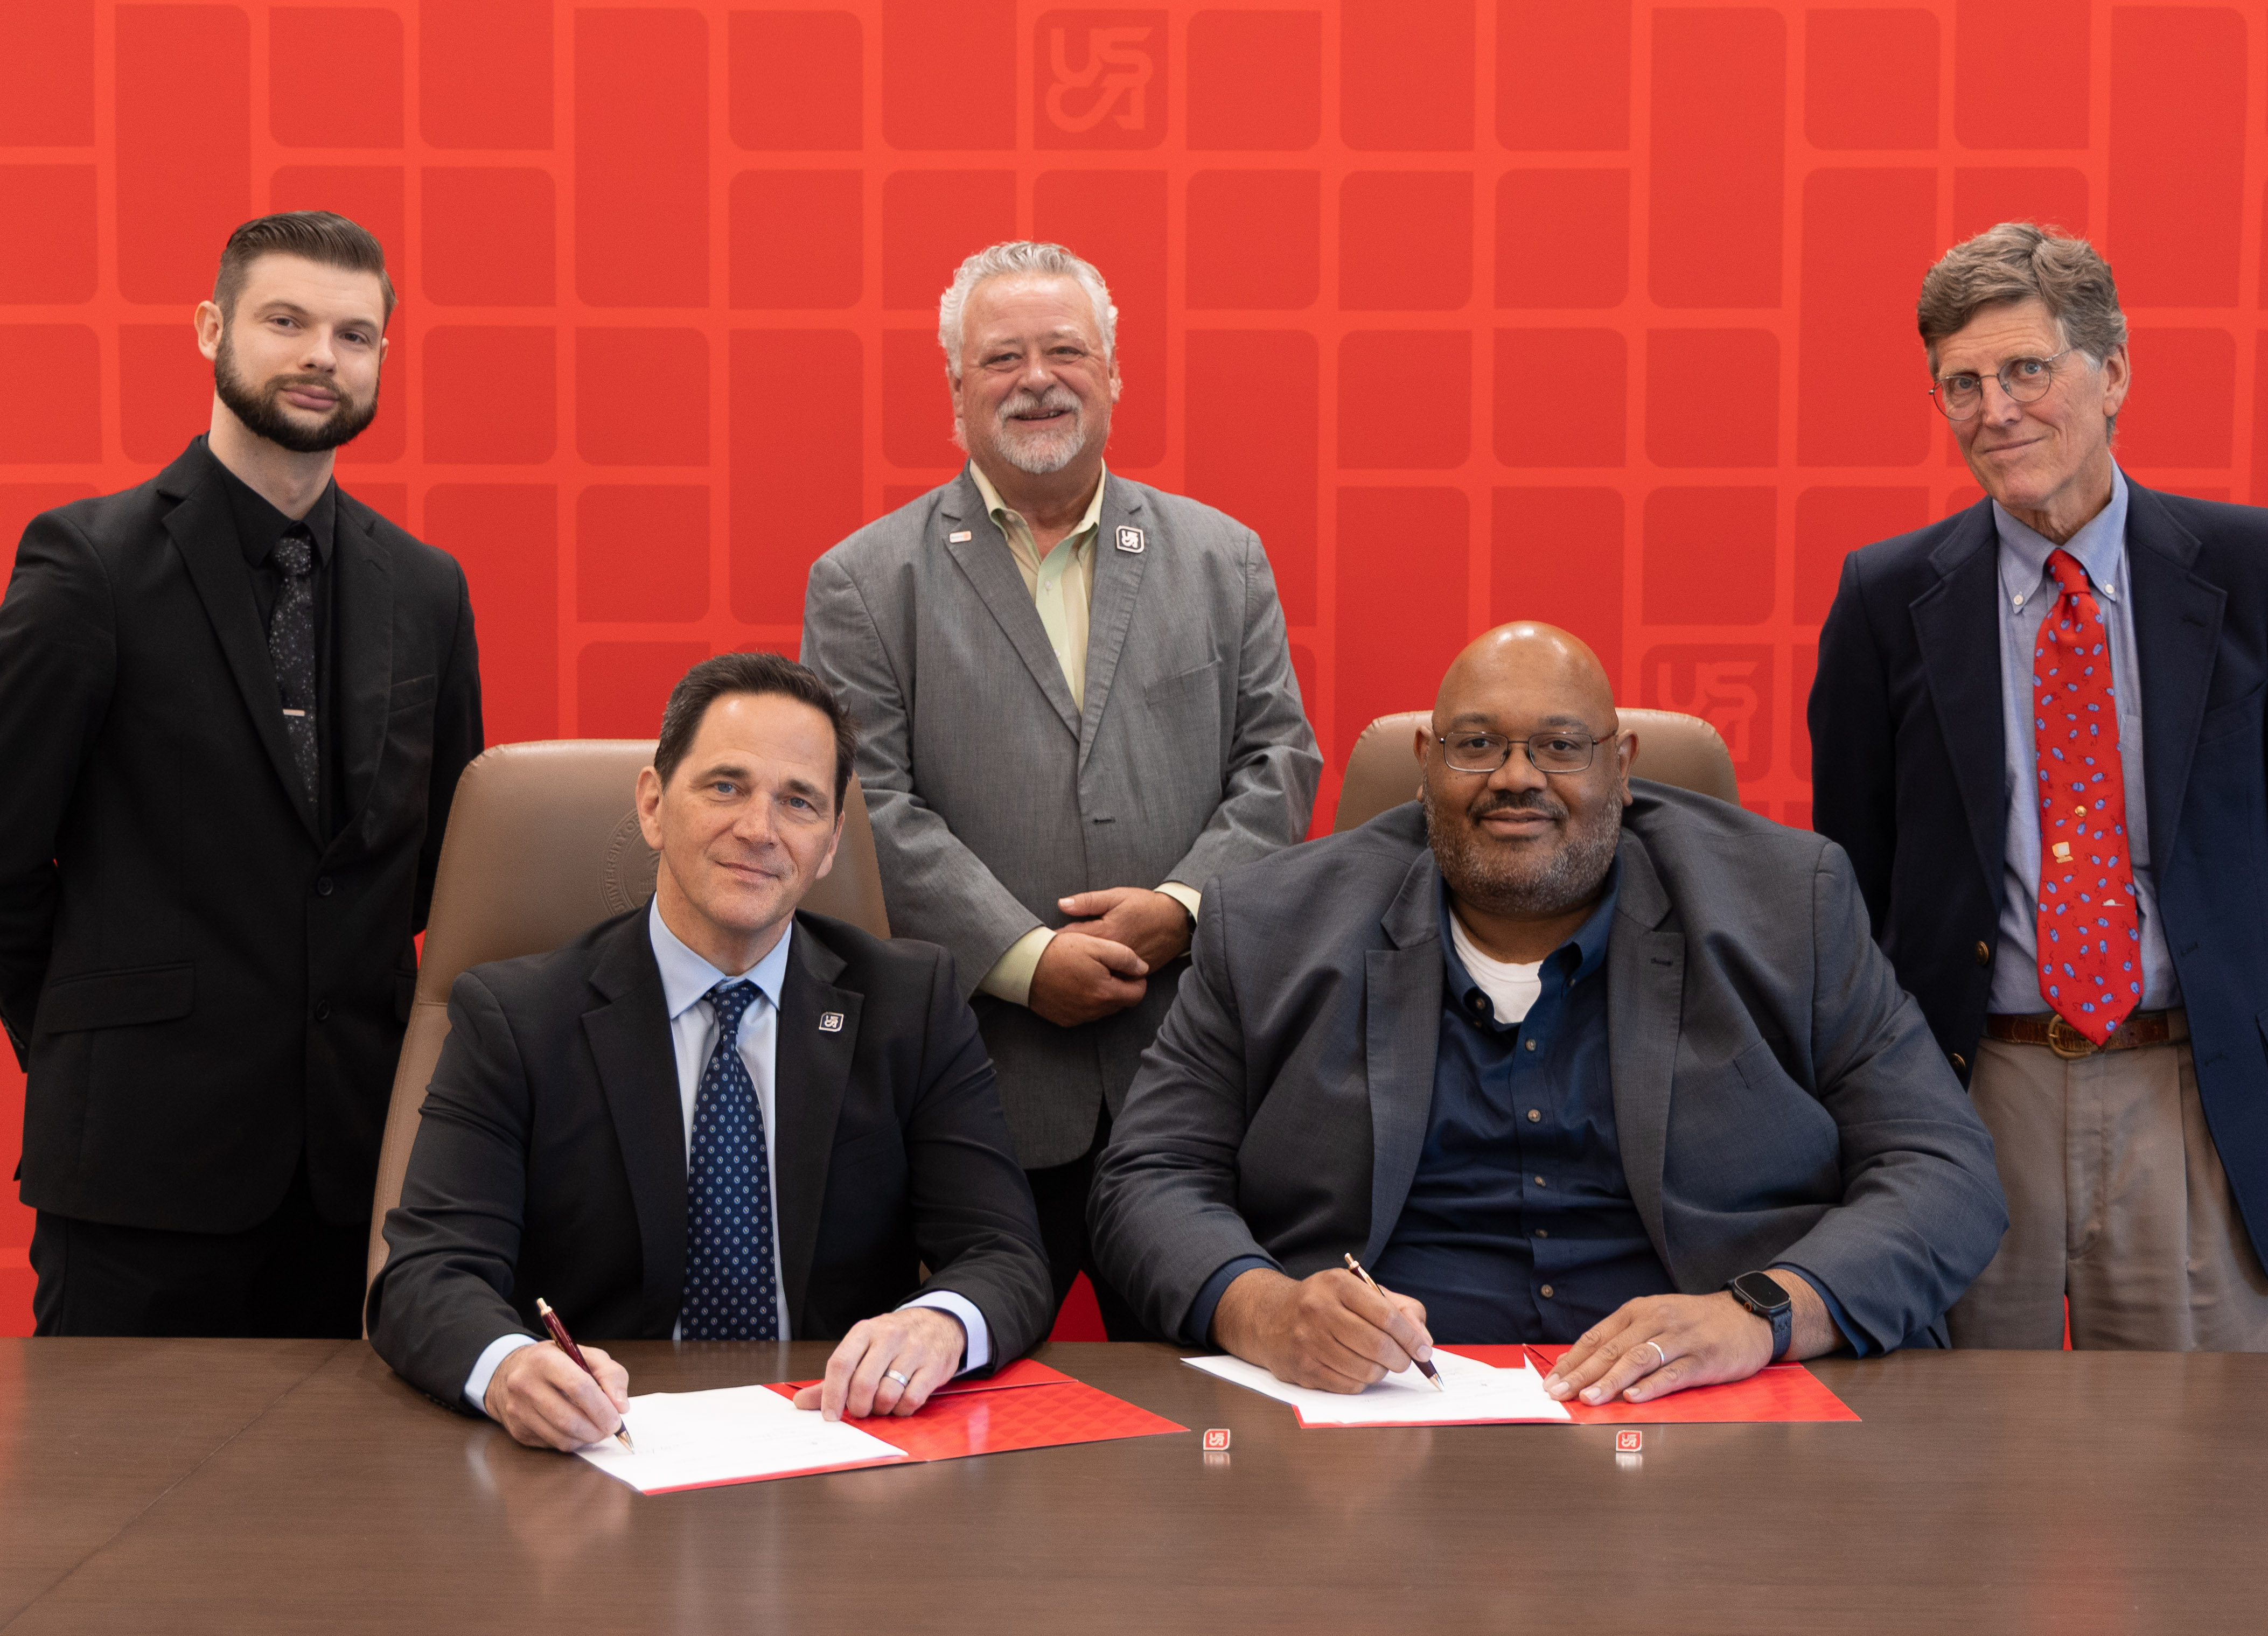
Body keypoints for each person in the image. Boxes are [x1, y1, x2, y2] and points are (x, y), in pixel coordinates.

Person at [1090, 624, 2006, 1405]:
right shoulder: (1271, 925)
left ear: (1624, 767)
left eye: (1562, 746)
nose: (1517, 778)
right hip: (1376, 1422)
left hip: (1718, 1411)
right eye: (1477, 744)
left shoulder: (1784, 905)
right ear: (1424, 767)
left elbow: (1943, 1166)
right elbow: (1147, 1175)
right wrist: (1264, 1309)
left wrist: (1762, 1315)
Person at [800, 240, 1319, 1338]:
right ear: (955, 387)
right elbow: (865, 806)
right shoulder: (863, 581)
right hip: (979, 1080)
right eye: (1002, 358)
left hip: (1188, 1073)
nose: (1038, 378)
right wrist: (1026, 960)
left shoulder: (1222, 559)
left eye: (1065, 350)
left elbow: (1280, 764)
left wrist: (1180, 914)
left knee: (1205, 1405)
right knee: (968, 1390)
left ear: (1114, 371)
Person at [367, 654, 1054, 1449]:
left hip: (834, 1446)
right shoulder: (517, 1018)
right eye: (725, 786)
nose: (759, 830)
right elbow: (424, 1275)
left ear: (832, 842)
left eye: (798, 802)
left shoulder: (913, 1003)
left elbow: (1003, 1252)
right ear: (654, 806)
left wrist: (939, 1323)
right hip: (603, 1454)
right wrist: (511, 1367)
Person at [0, 211, 482, 1338]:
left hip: (358, 1178)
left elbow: (446, 877)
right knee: (119, 1505)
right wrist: (85, 1041)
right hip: (135, 1170)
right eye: (288, 321)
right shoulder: (89, 564)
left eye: (356, 335)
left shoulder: (426, 587)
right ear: (214, 328)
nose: (324, 355)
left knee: (345, 1513)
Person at [1809, 222, 2268, 1351]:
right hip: (1972, 1090)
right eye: (1961, 384)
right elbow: (1851, 878)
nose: (1996, 410)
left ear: (2112, 373)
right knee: (1953, 1474)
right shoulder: (1885, 598)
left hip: (2190, 1084)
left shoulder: (2252, 572)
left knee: (2195, 1470)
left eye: (2025, 370)